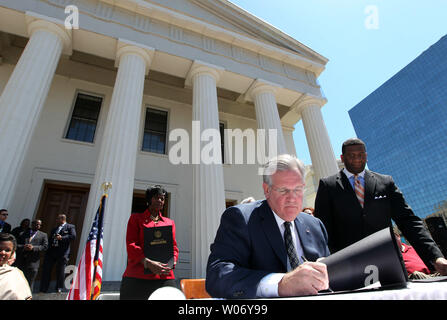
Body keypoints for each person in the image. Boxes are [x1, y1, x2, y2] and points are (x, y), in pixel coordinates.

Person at [314, 137, 447, 275]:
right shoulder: (328, 186)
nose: (357, 159)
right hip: (349, 267)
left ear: (366, 155)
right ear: (342, 158)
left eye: (361, 155)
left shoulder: (385, 182)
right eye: (351, 156)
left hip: (389, 264)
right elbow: (322, 230)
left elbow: (409, 221)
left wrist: (436, 257)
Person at [206, 154, 330, 299]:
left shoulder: (315, 225)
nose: (292, 198)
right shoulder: (241, 218)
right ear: (267, 190)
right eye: (283, 190)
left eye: (298, 189)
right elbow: (218, 275)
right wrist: (280, 284)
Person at [120, 185, 179, 300]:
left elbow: (174, 248)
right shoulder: (136, 219)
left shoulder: (169, 222)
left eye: (162, 198)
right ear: (149, 199)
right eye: (157, 197)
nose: (160, 201)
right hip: (137, 276)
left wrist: (172, 262)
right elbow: (131, 245)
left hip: (164, 276)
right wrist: (147, 262)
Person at [40, 214, 76, 293]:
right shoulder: (54, 229)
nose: (56, 220)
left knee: (61, 271)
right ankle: (43, 288)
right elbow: (50, 239)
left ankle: (59, 288)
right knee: (47, 270)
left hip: (62, 253)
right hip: (51, 252)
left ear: (62, 219)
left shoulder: (70, 227)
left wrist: (62, 238)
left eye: (58, 218)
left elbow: (73, 236)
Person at [16, 219, 48, 292]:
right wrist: (24, 247)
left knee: (30, 282)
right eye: (36, 224)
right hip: (21, 261)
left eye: (39, 225)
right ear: (32, 224)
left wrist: (33, 248)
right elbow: (16, 244)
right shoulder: (23, 233)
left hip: (33, 262)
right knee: (18, 281)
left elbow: (45, 247)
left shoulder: (43, 235)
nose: (37, 226)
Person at [0, 233, 32, 300]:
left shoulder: (16, 274)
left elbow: (27, 297)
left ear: (12, 253)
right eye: (0, 249)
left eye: (7, 250)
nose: (3, 252)